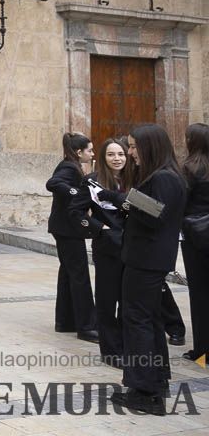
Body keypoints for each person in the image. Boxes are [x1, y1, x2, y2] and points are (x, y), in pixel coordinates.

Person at [108, 124, 188, 415]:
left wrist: (121, 198)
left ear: (149, 146)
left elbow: (155, 213)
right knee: (149, 320)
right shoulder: (163, 175)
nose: (130, 152)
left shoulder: (165, 177)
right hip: (147, 258)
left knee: (137, 320)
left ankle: (144, 391)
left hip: (147, 259)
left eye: (133, 146)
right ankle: (154, 383)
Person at [45, 132, 100, 342]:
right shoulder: (68, 167)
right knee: (79, 276)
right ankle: (86, 326)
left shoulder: (71, 165)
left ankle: (65, 320)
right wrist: (77, 193)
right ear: (79, 152)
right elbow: (53, 183)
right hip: (67, 229)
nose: (92, 154)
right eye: (90, 150)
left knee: (68, 273)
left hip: (64, 228)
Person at [88, 138, 128, 365]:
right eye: (111, 154)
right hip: (107, 249)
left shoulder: (136, 179)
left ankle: (126, 345)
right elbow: (76, 213)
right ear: (103, 158)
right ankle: (111, 351)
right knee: (106, 301)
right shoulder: (92, 181)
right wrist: (99, 228)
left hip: (133, 248)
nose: (117, 158)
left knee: (127, 301)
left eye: (121, 154)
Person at [180, 122, 209, 363]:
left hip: (196, 238)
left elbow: (179, 203)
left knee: (199, 294)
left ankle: (202, 350)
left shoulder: (190, 168)